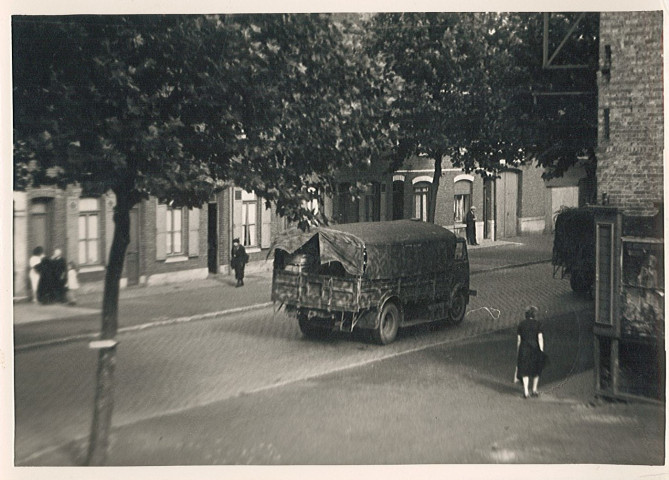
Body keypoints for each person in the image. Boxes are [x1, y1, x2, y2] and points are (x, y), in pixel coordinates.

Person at [515, 305, 546, 399]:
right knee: (536, 370)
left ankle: (525, 392)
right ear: (534, 315)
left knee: (525, 370)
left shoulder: (521, 324)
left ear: (526, 315)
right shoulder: (538, 324)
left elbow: (519, 340)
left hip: (524, 348)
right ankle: (534, 390)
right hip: (535, 348)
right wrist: (541, 350)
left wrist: (518, 351)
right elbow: (540, 338)